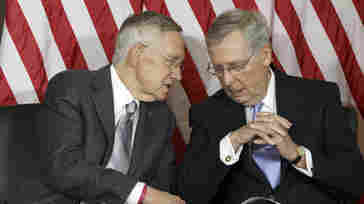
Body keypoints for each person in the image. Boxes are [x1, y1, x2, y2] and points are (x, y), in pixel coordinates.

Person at [177, 9, 364, 204]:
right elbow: (189, 195)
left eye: (237, 66)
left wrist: (297, 155)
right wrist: (232, 142)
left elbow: (354, 183)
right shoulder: (207, 113)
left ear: (265, 56)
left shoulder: (319, 98)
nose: (228, 80)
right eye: (218, 69)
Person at [37, 11, 186, 204]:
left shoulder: (161, 116)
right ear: (136, 54)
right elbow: (64, 168)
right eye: (171, 62)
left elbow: (161, 189)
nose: (178, 76)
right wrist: (138, 193)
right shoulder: (72, 88)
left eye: (180, 66)